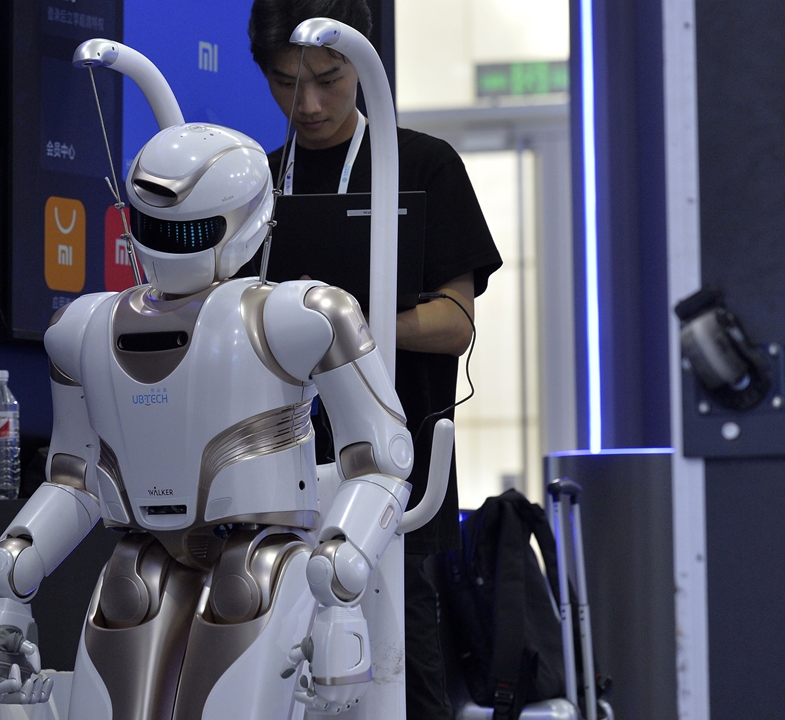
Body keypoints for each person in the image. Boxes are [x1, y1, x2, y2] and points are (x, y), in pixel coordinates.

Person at [247, 1, 503, 718]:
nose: (308, 104)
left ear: (362, 65)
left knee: (400, 681)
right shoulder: (256, 182)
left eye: (328, 79)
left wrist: (346, 328)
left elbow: (454, 324)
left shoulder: (422, 166)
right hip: (272, 489)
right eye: (286, 82)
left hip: (394, 488)